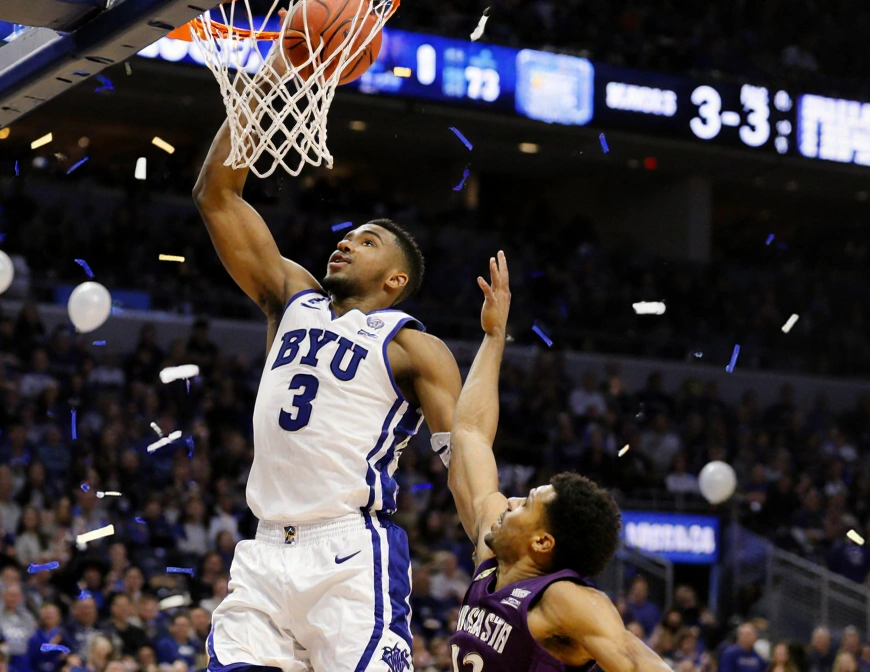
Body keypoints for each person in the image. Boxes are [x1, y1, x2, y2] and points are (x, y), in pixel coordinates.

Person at [193, 58, 462, 672]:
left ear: (396, 280)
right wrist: (264, 85)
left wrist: (487, 535)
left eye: (367, 241)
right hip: (263, 550)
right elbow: (216, 195)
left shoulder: (411, 345)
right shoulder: (292, 297)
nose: (346, 241)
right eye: (350, 235)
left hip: (349, 550)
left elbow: (465, 448)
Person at [445, 252, 671, 672]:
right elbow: (470, 436)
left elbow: (639, 664)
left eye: (526, 503)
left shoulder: (565, 600)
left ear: (543, 543)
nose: (509, 501)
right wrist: (494, 338)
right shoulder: (491, 564)